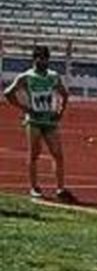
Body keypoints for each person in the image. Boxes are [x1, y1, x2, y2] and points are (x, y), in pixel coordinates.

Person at [3, 45, 74, 201]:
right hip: (34, 121)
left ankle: (60, 189)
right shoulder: (26, 77)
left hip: (50, 121)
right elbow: (8, 93)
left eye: (45, 58)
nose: (43, 61)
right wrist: (25, 108)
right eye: (40, 58)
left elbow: (64, 94)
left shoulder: (53, 76)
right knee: (34, 154)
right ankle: (34, 187)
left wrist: (60, 112)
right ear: (34, 59)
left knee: (58, 154)